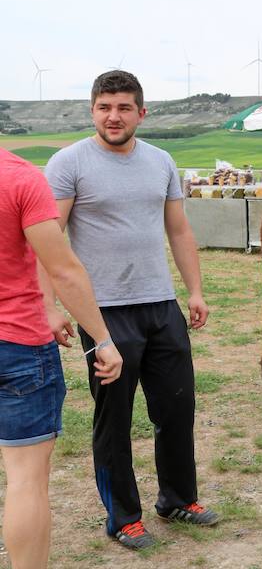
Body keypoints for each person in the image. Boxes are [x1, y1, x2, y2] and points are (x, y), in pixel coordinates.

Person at [43, 70, 220, 550]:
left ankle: (178, 498)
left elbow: (179, 230)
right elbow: (47, 239)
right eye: (104, 107)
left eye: (123, 107)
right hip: (103, 312)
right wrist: (50, 307)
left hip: (161, 305)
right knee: (114, 417)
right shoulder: (68, 163)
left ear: (142, 112)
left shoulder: (161, 161)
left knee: (178, 408)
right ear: (92, 110)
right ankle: (123, 516)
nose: (113, 116)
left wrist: (195, 291)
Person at [1, 147, 123, 569]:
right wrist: (103, 339)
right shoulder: (19, 177)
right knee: (26, 481)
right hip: (16, 342)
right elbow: (63, 269)